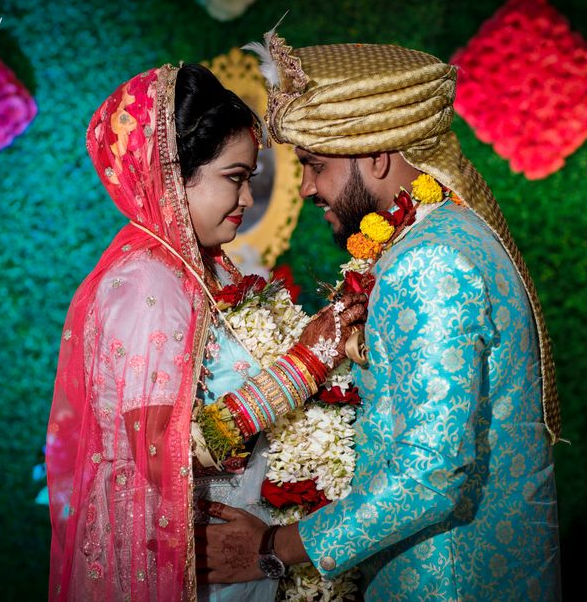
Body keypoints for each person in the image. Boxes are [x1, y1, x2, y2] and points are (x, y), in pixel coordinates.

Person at [195, 31, 564, 600]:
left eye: (315, 164)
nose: (307, 187)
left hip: (447, 582)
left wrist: (272, 546)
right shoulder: (434, 237)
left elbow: (431, 472)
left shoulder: (430, 261)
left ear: (376, 154)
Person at [45, 63, 366, 601]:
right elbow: (160, 454)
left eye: (249, 179)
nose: (247, 200)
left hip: (230, 551)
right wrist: (304, 365)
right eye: (234, 178)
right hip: (185, 566)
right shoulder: (147, 283)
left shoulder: (199, 270)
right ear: (172, 175)